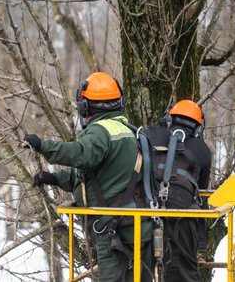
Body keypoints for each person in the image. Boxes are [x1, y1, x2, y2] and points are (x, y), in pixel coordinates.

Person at [23, 72, 153, 282]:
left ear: (86, 108)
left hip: (114, 230)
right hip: (138, 226)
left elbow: (80, 154)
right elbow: (100, 178)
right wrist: (54, 179)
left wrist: (44, 147)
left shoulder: (100, 132)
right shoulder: (128, 130)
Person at [145, 100, 212, 282]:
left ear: (168, 119)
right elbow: (203, 188)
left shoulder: (149, 134)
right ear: (198, 128)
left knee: (141, 264)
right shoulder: (203, 150)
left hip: (144, 209)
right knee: (184, 266)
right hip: (182, 213)